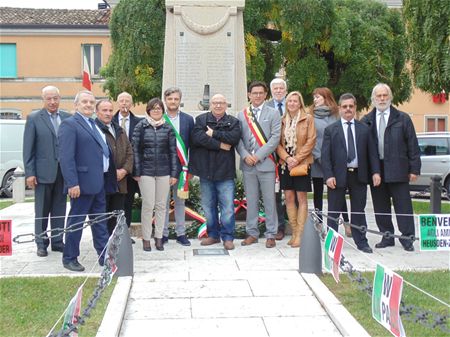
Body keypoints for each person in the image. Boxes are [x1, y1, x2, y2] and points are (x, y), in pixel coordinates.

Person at [361, 83, 421, 252]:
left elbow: (412, 144)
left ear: (390, 97)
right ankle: (387, 236)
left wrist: (414, 169)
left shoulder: (402, 118)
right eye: (378, 96)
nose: (382, 99)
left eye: (384, 95)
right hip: (376, 170)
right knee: (381, 206)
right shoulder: (367, 120)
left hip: (398, 167)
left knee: (403, 205)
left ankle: (407, 238)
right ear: (373, 99)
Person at [58, 90, 111, 272]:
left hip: (98, 183)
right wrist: (72, 183)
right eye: (84, 102)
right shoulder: (70, 124)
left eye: (91, 102)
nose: (88, 105)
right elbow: (66, 157)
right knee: (76, 222)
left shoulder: (93, 124)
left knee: (100, 223)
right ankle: (70, 257)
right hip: (80, 185)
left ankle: (104, 256)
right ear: (76, 105)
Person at [322, 93, 381, 253]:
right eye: (345, 106)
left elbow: (372, 153)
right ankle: (332, 244)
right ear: (340, 109)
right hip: (337, 175)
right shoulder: (331, 130)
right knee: (333, 210)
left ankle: (361, 242)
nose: (348, 109)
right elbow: (325, 156)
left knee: (358, 210)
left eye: (351, 106)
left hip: (359, 175)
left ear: (355, 108)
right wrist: (328, 175)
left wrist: (375, 172)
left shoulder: (364, 129)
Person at [23, 86, 70, 257]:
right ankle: (41, 243)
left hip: (63, 173)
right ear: (43, 99)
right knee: (42, 210)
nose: (52, 102)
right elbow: (28, 148)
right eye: (49, 98)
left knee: (59, 208)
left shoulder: (67, 117)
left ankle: (58, 241)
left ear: (60, 98)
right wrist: (30, 172)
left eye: (55, 98)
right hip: (42, 173)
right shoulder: (34, 118)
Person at [189, 94, 241, 250]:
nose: (218, 105)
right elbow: (197, 139)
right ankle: (213, 235)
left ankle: (228, 237)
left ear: (226, 105)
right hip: (206, 172)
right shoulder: (200, 120)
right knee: (208, 206)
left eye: (221, 103)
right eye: (215, 103)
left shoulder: (233, 121)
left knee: (227, 207)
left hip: (225, 172)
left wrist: (213, 134)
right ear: (210, 104)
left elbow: (234, 138)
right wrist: (220, 145)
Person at [237, 81, 281, 248]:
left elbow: (275, 138)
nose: (257, 95)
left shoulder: (273, 113)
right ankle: (252, 233)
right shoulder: (242, 115)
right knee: (252, 200)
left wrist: (258, 156)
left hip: (266, 164)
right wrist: (245, 155)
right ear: (249, 95)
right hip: (248, 165)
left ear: (265, 95)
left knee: (269, 201)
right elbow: (238, 139)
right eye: (254, 93)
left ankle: (271, 234)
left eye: (260, 93)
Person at [132, 98, 178, 252]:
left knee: (161, 206)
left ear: (163, 111)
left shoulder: (168, 128)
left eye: (159, 108)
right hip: (146, 172)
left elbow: (173, 152)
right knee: (148, 205)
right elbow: (135, 150)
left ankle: (159, 238)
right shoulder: (141, 126)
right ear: (148, 110)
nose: (156, 110)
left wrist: (173, 173)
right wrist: (137, 171)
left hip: (164, 172)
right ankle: (146, 239)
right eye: (153, 108)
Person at [276, 91, 316, 248]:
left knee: (302, 198)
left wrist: (297, 159)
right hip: (285, 164)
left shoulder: (308, 119)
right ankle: (293, 232)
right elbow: (277, 143)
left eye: (295, 101)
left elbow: (311, 141)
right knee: (289, 198)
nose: (292, 103)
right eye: (289, 101)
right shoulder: (282, 121)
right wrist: (287, 158)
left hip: (302, 164)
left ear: (300, 103)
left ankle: (301, 234)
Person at [310, 87, 351, 236]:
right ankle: (319, 222)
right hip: (318, 160)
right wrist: (319, 157)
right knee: (318, 193)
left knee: (338, 192)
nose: (315, 100)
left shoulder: (336, 115)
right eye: (314, 97)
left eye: (318, 97)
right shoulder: (310, 116)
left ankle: (346, 222)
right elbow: (311, 139)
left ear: (326, 98)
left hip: (335, 162)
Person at [95, 99, 133, 235]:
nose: (108, 113)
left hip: (120, 182)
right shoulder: (94, 129)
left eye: (110, 110)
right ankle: (103, 247)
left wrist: (124, 170)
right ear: (97, 112)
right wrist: (112, 172)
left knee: (116, 218)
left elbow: (130, 152)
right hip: (103, 183)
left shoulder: (119, 130)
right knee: (102, 218)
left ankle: (114, 246)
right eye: (104, 110)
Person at [162, 87, 195, 246]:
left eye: (176, 99)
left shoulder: (189, 120)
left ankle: (181, 234)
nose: (173, 102)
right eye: (170, 99)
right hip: (162, 169)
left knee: (180, 202)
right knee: (162, 202)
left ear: (180, 101)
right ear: (165, 100)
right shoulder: (159, 118)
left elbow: (192, 146)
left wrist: (191, 170)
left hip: (182, 169)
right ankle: (162, 234)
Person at [113, 92, 142, 241]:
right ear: (117, 103)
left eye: (127, 101)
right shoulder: (110, 121)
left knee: (128, 202)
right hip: (114, 170)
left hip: (131, 171)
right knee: (114, 203)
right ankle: (113, 233)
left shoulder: (139, 122)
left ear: (131, 104)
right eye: (121, 100)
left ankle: (126, 233)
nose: (124, 103)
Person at [267, 78, 288, 240]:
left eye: (281, 88)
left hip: (291, 158)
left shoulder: (293, 104)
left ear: (286, 90)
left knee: (291, 194)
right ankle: (279, 226)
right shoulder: (266, 107)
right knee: (275, 194)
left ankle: (293, 223)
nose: (279, 91)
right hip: (271, 158)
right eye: (276, 88)